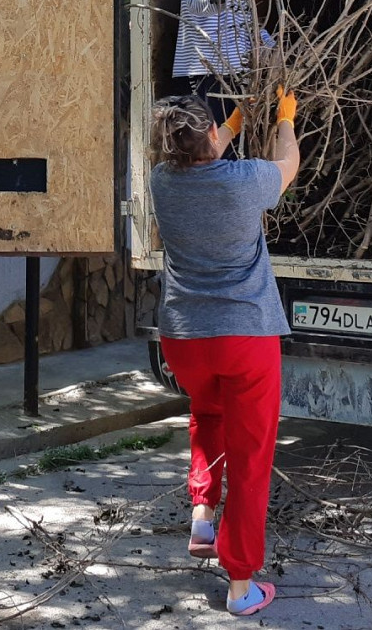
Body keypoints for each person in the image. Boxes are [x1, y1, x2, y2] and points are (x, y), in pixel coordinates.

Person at [149, 87, 299, 617]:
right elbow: (289, 163)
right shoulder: (246, 181)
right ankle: (240, 584)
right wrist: (284, 120)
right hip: (245, 338)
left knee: (205, 413)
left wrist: (233, 120)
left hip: (184, 339)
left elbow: (199, 149)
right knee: (251, 455)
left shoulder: (161, 181)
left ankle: (202, 515)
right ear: (207, 135)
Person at [172, 0, 275, 134]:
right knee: (213, 143)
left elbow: (249, 25)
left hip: (234, 76)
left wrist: (273, 50)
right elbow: (196, 0)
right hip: (207, 75)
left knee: (230, 144)